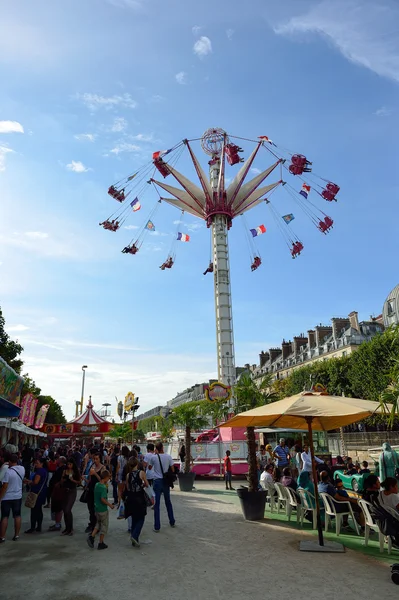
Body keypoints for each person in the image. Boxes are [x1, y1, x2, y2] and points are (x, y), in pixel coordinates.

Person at [147, 442, 175, 532]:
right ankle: (172, 521)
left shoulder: (153, 457)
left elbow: (150, 467)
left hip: (157, 481)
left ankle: (157, 526)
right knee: (168, 501)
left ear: (156, 448)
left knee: (157, 504)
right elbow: (173, 469)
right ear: (163, 447)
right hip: (166, 481)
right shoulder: (168, 457)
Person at [124, 457, 149, 547]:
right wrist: (142, 485)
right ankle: (135, 536)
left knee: (134, 517)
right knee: (141, 517)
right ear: (137, 464)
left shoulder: (128, 475)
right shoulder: (141, 473)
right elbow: (146, 484)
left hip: (131, 497)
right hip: (139, 497)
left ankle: (134, 539)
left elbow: (127, 487)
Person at [87, 469, 114, 550]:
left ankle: (92, 537)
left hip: (97, 508)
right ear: (105, 478)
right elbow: (103, 498)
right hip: (103, 509)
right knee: (104, 526)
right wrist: (110, 505)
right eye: (108, 478)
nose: (109, 479)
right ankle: (101, 542)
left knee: (98, 524)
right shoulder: (103, 487)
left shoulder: (97, 485)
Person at [0, 454, 25, 543]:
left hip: (7, 497)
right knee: (17, 516)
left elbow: (4, 486)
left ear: (9, 462)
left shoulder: (8, 472)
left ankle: (2, 537)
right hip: (18, 496)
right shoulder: (22, 469)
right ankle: (16, 535)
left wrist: (0, 497)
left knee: (5, 517)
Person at [24, 457, 48, 534]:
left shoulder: (39, 472)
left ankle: (33, 527)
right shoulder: (44, 471)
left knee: (34, 510)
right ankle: (39, 526)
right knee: (39, 510)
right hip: (42, 492)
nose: (35, 464)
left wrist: (28, 482)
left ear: (41, 463)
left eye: (37, 463)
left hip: (36, 492)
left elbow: (35, 482)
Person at [85, 452, 106, 534]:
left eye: (97, 459)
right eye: (94, 459)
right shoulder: (92, 467)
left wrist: (95, 473)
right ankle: (92, 524)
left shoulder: (103, 468)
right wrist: (85, 480)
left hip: (98, 491)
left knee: (97, 509)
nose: (95, 460)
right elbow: (90, 479)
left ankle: (97, 526)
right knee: (90, 508)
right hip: (91, 489)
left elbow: (102, 480)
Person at [61, 458, 81, 535]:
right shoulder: (64, 471)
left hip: (72, 491)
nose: (69, 466)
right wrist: (63, 479)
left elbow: (79, 482)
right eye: (68, 464)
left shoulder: (75, 472)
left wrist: (73, 480)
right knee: (65, 510)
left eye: (70, 464)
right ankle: (67, 528)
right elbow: (61, 480)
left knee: (67, 509)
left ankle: (71, 528)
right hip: (65, 490)